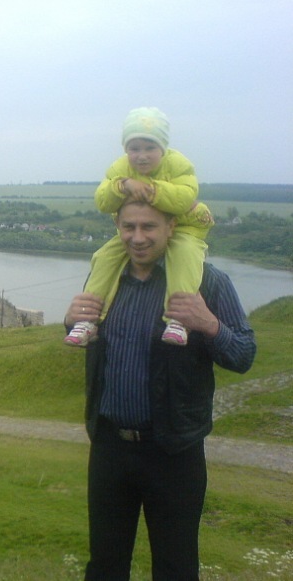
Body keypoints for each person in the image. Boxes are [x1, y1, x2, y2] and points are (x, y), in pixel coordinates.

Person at [65, 199, 256, 580]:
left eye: (149, 227)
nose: (137, 238)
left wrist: (209, 324)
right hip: (109, 447)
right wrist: (71, 321)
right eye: (129, 227)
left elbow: (243, 355)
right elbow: (91, 336)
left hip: (174, 450)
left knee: (175, 567)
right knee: (104, 565)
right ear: (118, 227)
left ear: (171, 227)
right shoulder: (106, 277)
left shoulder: (207, 281)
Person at [64, 107, 215, 348]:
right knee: (103, 256)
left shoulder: (177, 164)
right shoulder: (120, 169)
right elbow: (103, 201)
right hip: (161, 223)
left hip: (185, 226)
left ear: (163, 148)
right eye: (134, 149)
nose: (142, 156)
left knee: (184, 254)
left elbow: (185, 197)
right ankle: (87, 320)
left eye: (150, 148)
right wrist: (122, 185)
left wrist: (150, 191)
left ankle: (178, 319)